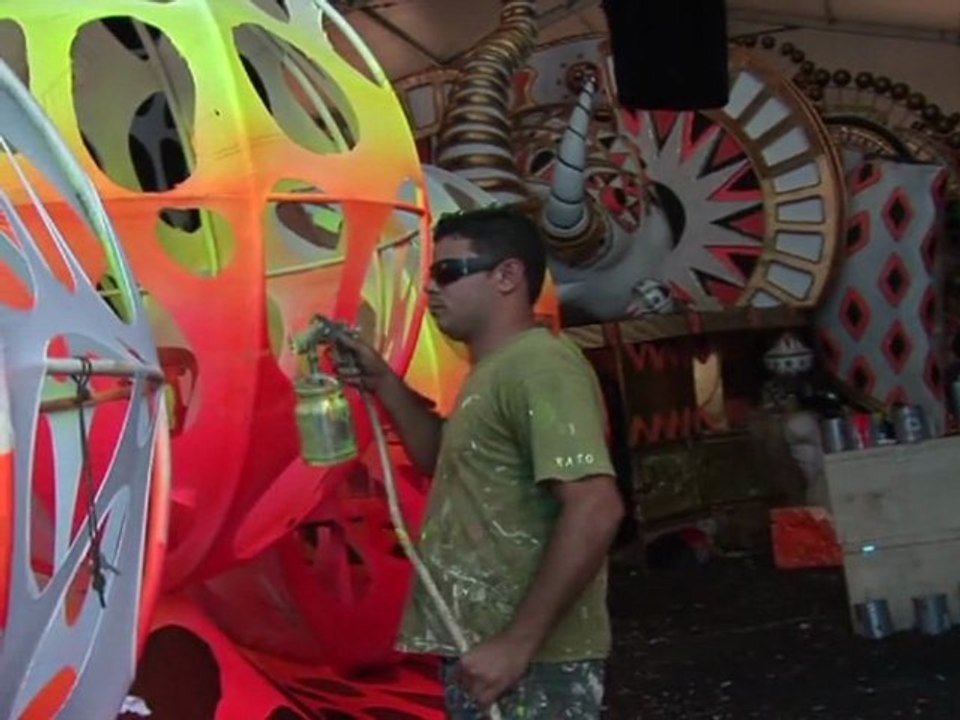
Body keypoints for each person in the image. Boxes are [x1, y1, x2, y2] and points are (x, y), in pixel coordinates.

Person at [339, 206, 624, 719]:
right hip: (488, 657)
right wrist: (382, 380)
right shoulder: (495, 370)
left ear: (508, 277)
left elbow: (596, 507)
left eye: (448, 272)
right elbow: (439, 457)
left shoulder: (538, 367)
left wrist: (517, 644)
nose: (431, 290)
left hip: (530, 665)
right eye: (430, 275)